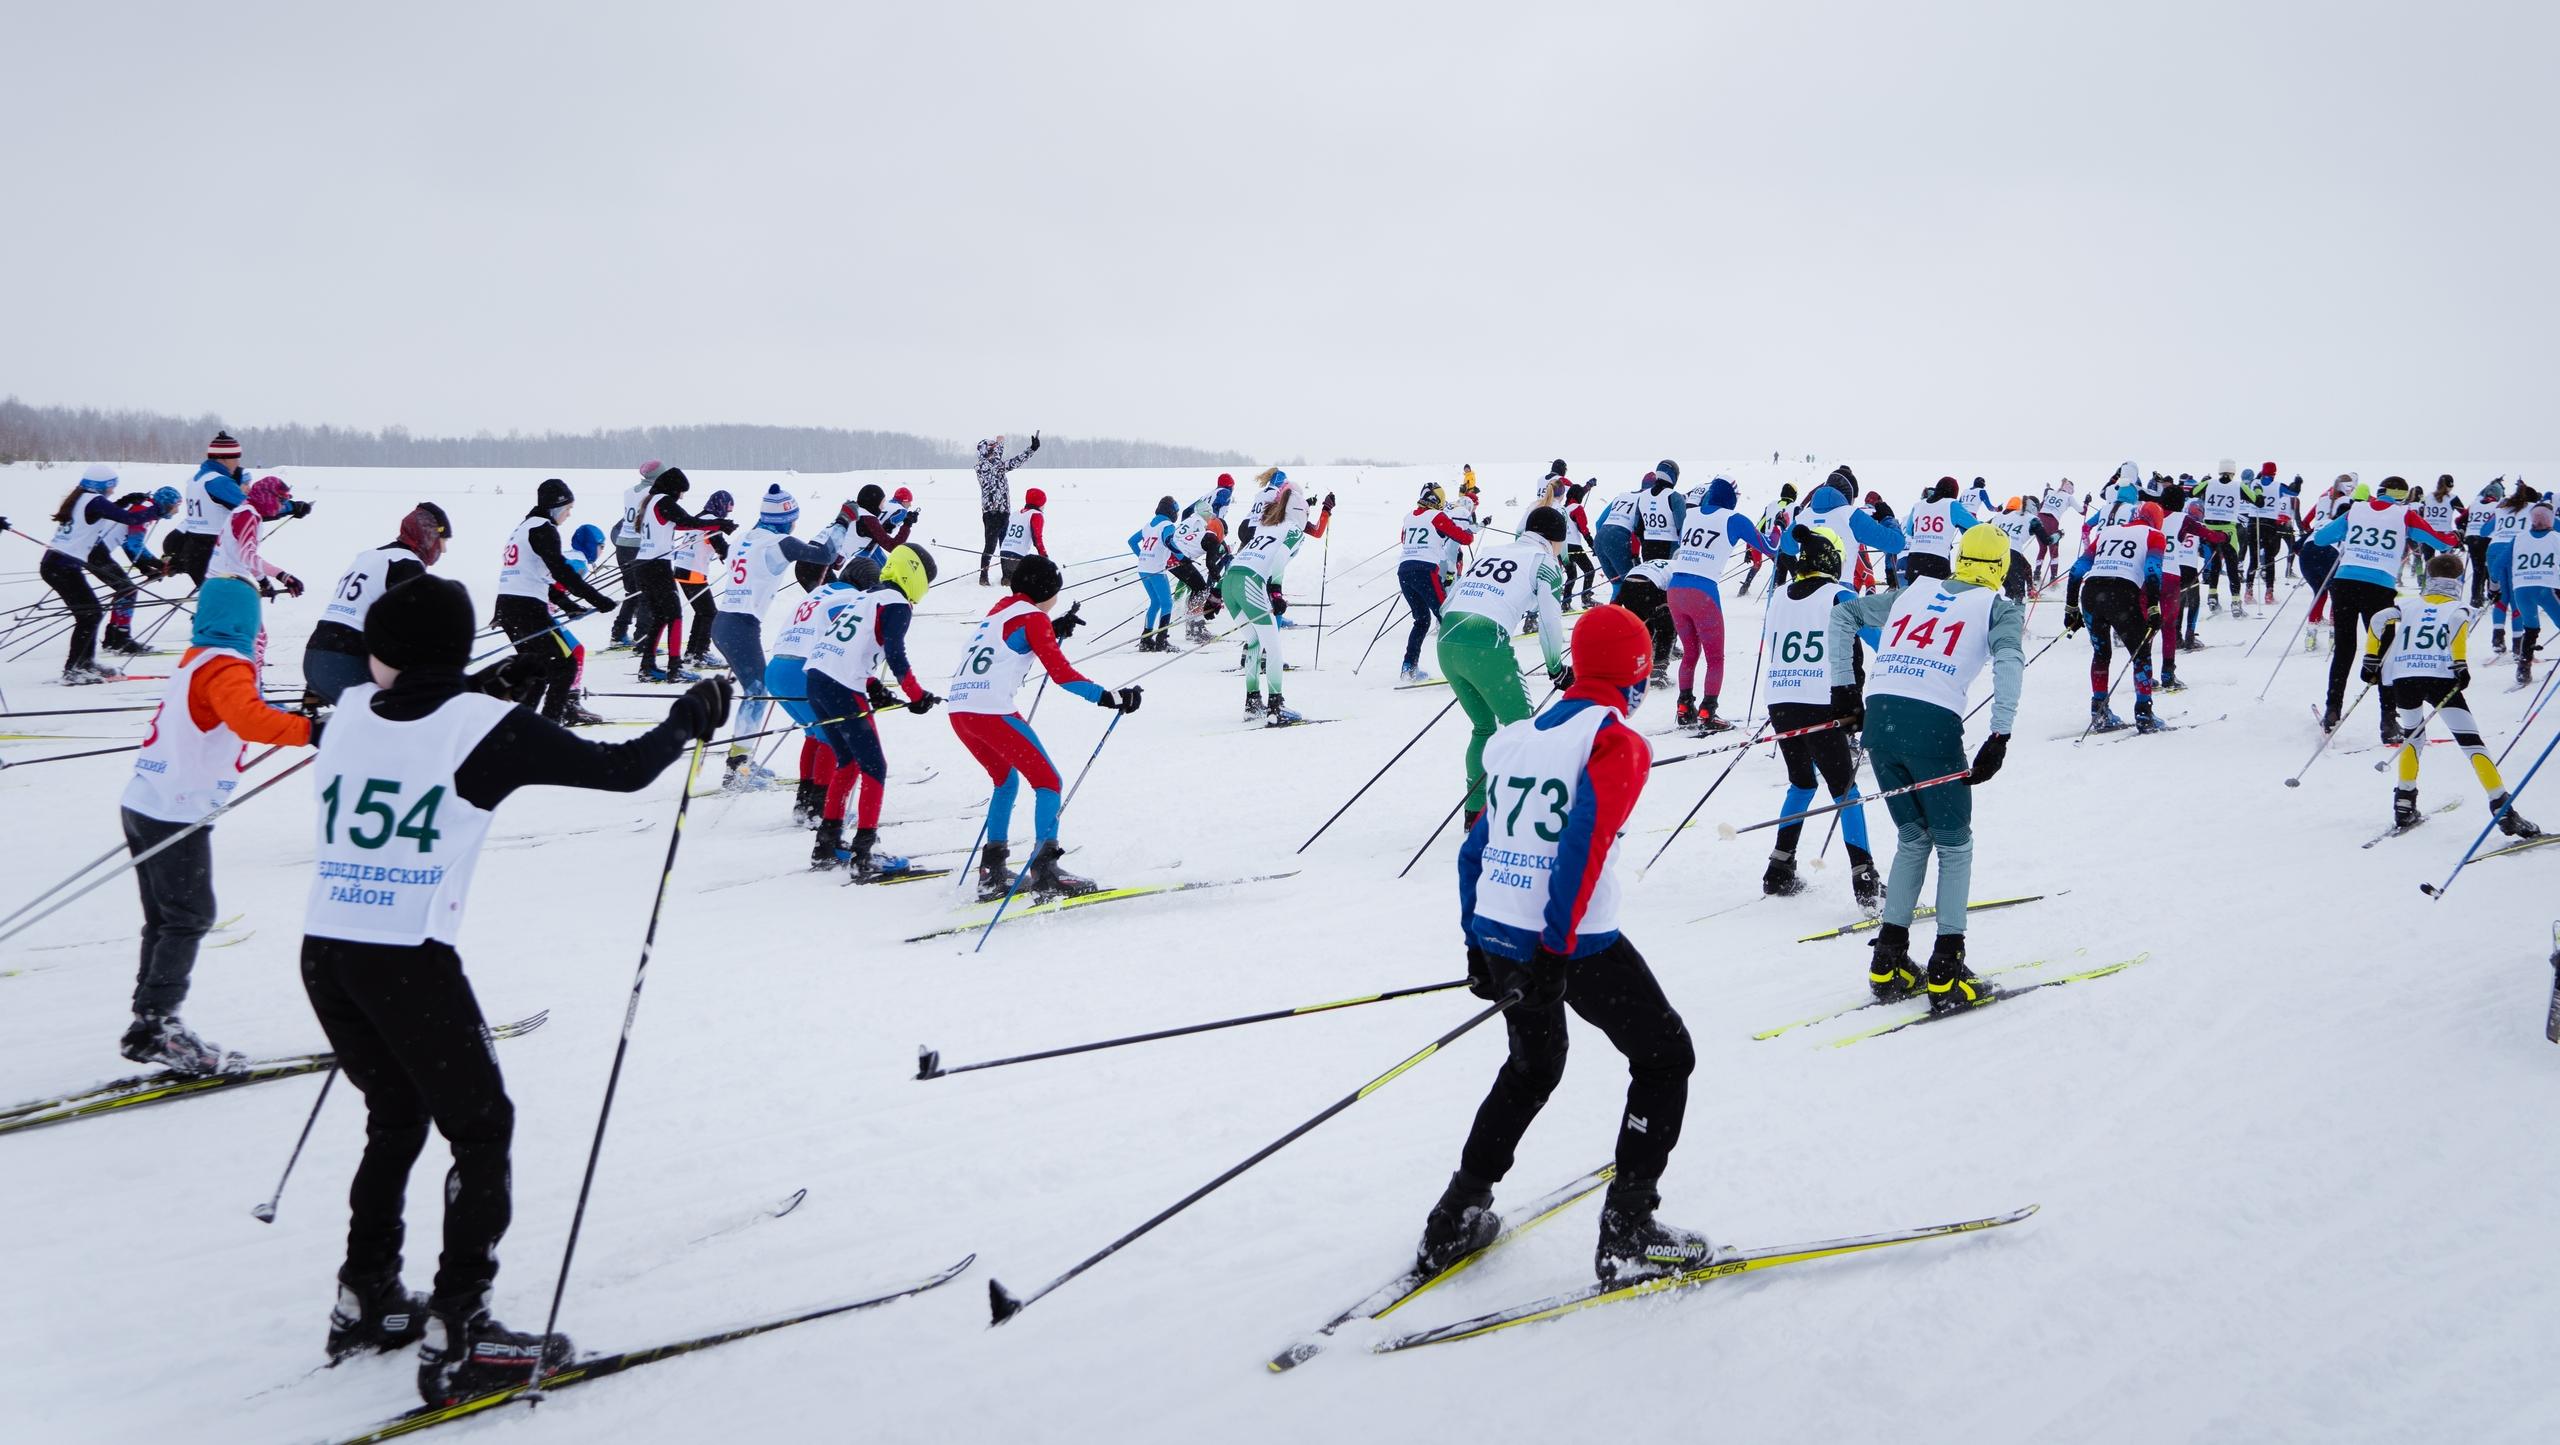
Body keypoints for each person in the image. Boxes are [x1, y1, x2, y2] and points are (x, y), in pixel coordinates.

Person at [297, 574, 730, 1405]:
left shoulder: (346, 712)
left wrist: (470, 685)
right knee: (482, 1127)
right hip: (406, 956)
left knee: (395, 1118)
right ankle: (461, 1330)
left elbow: (415, 707)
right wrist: (685, 718)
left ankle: (367, 1295)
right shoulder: (484, 728)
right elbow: (622, 768)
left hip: (329, 950)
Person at [1417, 604, 1713, 1287]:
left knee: (1532, 1066)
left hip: (1501, 925)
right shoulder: (1616, 741)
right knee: (1666, 1055)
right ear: (1637, 672)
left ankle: (1454, 1216)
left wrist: (1476, 940)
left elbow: (1473, 850)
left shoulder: (1516, 737)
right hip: (1570, 938)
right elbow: (1583, 845)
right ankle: (1630, 1230)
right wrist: (1555, 949)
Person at [117, 579, 317, 1072]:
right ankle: (160, 1024)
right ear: (247, 622)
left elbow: (232, 716)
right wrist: (311, 730)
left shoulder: (197, 659)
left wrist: (293, 715)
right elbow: (248, 720)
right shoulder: (228, 666)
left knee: (166, 918)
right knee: (189, 916)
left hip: (147, 801)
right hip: (174, 811)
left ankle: (149, 1022)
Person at [1828, 523, 2026, 1009]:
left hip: (1881, 720)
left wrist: (1844, 691)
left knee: (1914, 837)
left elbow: (1844, 614)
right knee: (1955, 845)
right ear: (2000, 567)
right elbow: (2009, 665)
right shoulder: (1998, 609)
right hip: (1931, 726)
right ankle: (1947, 967)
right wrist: (1999, 735)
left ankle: (1889, 960)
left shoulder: (1913, 593)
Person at [946, 554, 1141, 900]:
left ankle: (992, 872)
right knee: (1048, 781)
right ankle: (1046, 870)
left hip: (960, 711)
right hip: (991, 712)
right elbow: (1062, 675)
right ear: (1047, 590)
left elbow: (1013, 640)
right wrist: (1108, 697)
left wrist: (1052, 630)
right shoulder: (1034, 617)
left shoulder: (999, 612)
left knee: (1005, 782)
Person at [2366, 551, 2541, 839]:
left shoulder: (2407, 604)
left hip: (2405, 677)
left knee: (2413, 736)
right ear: (2458, 579)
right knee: (2471, 743)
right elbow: (2457, 624)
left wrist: (2370, 660)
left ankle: (2404, 803)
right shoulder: (2458, 608)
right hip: (2440, 678)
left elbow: (2378, 618)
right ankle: (2503, 809)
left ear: (2430, 578)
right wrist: (2460, 664)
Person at [1756, 525, 1881, 907]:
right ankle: (1866, 881)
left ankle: (1778, 869)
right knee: (1845, 790)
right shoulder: (1839, 595)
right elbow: (1880, 638)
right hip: (1821, 701)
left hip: (1780, 700)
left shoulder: (1777, 595)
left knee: (1802, 785)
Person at [804, 544, 941, 874]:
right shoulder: (896, 603)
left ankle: (826, 845)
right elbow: (895, 654)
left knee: (848, 762)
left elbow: (850, 646)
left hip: (817, 679)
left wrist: (873, 687)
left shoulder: (865, 596)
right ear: (915, 575)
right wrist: (916, 694)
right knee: (874, 767)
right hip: (841, 685)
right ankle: (865, 853)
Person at [1440, 507, 1570, 821]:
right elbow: (1550, 623)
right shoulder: (1545, 563)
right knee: (1523, 731)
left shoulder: (1491, 552)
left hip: (1447, 642)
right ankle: (1523, 815)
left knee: (1484, 727)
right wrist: (1556, 668)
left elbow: (1447, 603)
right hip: (1487, 642)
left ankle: (1476, 811)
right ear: (1554, 540)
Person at [2308, 476, 2463, 733]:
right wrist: (2455, 537)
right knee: (2385, 652)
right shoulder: (2404, 515)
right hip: (2379, 588)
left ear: (2380, 492)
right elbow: (2441, 542)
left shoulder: (2356, 509)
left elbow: (2322, 538)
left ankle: (2332, 709)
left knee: (2345, 648)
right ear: (2403, 496)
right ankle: (2388, 720)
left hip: (2345, 582)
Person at [710, 484, 837, 789]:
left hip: (724, 622)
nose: (795, 523)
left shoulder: (746, 538)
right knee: (758, 691)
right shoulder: (780, 542)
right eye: (793, 518)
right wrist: (843, 523)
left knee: (756, 689)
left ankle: (741, 762)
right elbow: (826, 555)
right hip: (740, 626)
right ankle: (737, 769)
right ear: (786, 518)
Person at [493, 479, 620, 722]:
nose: (569, 515)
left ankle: (523, 726)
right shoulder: (543, 528)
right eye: (568, 509)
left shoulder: (524, 527)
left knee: (537, 670)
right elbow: (560, 571)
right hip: (528, 608)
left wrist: (569, 605)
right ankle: (551, 724)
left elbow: (539, 577)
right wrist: (598, 599)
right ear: (556, 507)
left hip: (509, 607)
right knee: (565, 665)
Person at [307, 503, 453, 705]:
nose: (443, 550)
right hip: (344, 662)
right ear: (429, 536)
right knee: (402, 713)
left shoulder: (371, 555)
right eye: (442, 541)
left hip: (317, 655)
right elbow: (411, 627)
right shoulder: (407, 563)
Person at [1665, 477, 1775, 730]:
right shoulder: (1733, 519)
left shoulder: (1691, 515)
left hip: (1676, 588)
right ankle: (1708, 711)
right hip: (1702, 591)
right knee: (1715, 658)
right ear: (1731, 498)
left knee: (1691, 653)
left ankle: (1684, 707)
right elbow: (1770, 548)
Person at [1221, 478, 1333, 723]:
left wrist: (1217, 594)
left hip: (1230, 580)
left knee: (1252, 642)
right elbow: (1279, 558)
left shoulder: (1266, 525)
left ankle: (1252, 704)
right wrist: (1276, 591)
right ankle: (1275, 707)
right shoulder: (1293, 530)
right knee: (1272, 646)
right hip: (1250, 581)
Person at [40, 465, 163, 682]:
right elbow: (131, 519)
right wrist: (158, 509)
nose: (113, 491)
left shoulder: (83, 497)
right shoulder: (94, 501)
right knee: (90, 614)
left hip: (58, 564)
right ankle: (75, 668)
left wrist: (125, 501)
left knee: (90, 614)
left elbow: (106, 513)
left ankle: (84, 663)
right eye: (112, 487)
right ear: (102, 486)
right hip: (62, 567)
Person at [767, 561, 866, 827]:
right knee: (832, 738)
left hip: (776, 668)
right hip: (801, 670)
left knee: (814, 733)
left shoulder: (823, 591)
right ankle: (820, 807)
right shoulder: (851, 598)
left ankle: (805, 802)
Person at [2066, 492, 2167, 732]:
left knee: (2101, 654)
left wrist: (2071, 608)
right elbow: (2153, 571)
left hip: (2091, 593)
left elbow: (2077, 569)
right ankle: (2144, 715)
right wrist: (2154, 606)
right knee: (2141, 654)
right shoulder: (2154, 535)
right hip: (2123, 595)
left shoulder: (2106, 532)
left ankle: (2099, 711)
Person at [626, 465, 730, 683]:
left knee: (661, 616)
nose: (681, 497)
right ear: (674, 488)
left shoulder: (650, 501)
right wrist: (720, 523)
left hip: (644, 564)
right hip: (657, 565)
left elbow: (682, 525)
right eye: (682, 492)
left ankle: (647, 667)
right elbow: (688, 521)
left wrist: (716, 525)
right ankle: (675, 668)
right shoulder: (664, 501)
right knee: (674, 616)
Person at [1397, 483, 1476, 683]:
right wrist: (1468, 529)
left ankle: (1409, 667)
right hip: (1426, 572)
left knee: (1422, 620)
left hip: (1404, 572)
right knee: (1445, 617)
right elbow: (1464, 538)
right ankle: (1462, 667)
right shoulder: (1437, 517)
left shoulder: (1408, 517)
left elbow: (1403, 539)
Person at [165, 430, 245, 586]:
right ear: (222, 459)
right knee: (222, 605)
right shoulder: (218, 482)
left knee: (215, 604)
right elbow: (253, 509)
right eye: (235, 458)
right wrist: (291, 507)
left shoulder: (196, 479)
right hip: (212, 553)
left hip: (193, 549)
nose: (238, 463)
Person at [675, 490, 733, 669]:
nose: (728, 513)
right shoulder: (712, 523)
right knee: (709, 613)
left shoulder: (699, 518)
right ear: (721, 506)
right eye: (727, 509)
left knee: (702, 612)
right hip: (694, 572)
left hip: (681, 569)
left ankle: (692, 652)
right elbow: (721, 547)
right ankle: (700, 653)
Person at [2506, 500, 2560, 687]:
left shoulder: (2519, 538)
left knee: (2530, 628)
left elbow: (2500, 562)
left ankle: (2523, 668)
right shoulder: (2556, 538)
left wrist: (2495, 585)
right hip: (2546, 588)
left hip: (2521, 590)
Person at [977, 433, 1039, 585]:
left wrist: (1001, 443)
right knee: (990, 545)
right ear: (985, 451)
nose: (995, 450)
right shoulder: (984, 466)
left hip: (1004, 511)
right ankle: (983, 577)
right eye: (992, 448)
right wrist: (1031, 449)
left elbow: (998, 458)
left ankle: (1007, 576)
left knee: (1005, 545)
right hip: (991, 513)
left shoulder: (994, 464)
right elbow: (1013, 462)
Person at [608, 461, 658, 647]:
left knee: (632, 592)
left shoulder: (630, 491)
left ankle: (618, 633)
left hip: (622, 545)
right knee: (645, 593)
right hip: (639, 547)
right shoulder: (654, 494)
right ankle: (643, 637)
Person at [1899, 477, 1981, 583]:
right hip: (1937, 560)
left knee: (1915, 595)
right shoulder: (1951, 504)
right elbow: (1975, 526)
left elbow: (1910, 531)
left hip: (1914, 559)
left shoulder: (1918, 505)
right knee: (1935, 597)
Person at [1128, 496, 1184, 652]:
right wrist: (1182, 557)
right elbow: (1168, 541)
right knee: (1167, 604)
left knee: (1155, 602)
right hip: (1156, 570)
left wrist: (1142, 556)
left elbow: (1131, 541)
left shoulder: (1149, 525)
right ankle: (1161, 640)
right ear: (1171, 511)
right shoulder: (1167, 525)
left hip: (1143, 568)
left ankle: (1145, 640)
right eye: (1176, 510)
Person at [1740, 483, 1796, 597]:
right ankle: (1774, 589)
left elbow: (1759, 525)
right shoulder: (1794, 507)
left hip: (1761, 541)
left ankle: (1745, 586)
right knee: (1779, 565)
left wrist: (1749, 549)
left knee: (1756, 565)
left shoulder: (1771, 505)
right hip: (1776, 544)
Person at [1590, 479, 1642, 588]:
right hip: (1618, 538)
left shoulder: (1621, 496)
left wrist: (1600, 545)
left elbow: (1599, 523)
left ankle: (1613, 605)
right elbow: (1637, 530)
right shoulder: (1646, 499)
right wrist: (1635, 554)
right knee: (1633, 586)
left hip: (1600, 538)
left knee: (1618, 586)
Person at [999, 486, 1051, 589]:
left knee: (1008, 581)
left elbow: (1003, 533)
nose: (1044, 506)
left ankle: (1007, 579)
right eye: (1043, 503)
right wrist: (1044, 556)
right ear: (1039, 503)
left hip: (1004, 552)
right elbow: (1037, 538)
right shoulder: (1036, 515)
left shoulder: (1015, 514)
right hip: (1018, 554)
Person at [2466, 480, 2505, 620]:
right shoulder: (2497, 506)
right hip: (2487, 538)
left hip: (2471, 537)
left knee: (2477, 570)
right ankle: (2493, 597)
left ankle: (2476, 599)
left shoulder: (2474, 504)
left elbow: (2460, 520)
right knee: (2490, 569)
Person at [1561, 482, 1599, 608]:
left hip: (1562, 547)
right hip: (1574, 546)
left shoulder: (1563, 509)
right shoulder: (1577, 508)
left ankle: (1565, 604)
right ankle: (1586, 598)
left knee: (1571, 575)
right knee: (1589, 571)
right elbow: (1584, 529)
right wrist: (1592, 545)